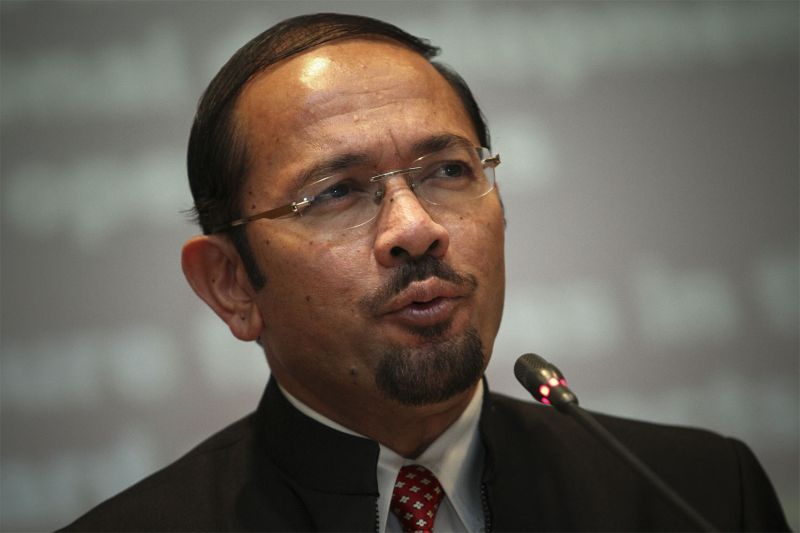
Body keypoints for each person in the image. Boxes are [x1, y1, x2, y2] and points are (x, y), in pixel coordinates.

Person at [63, 13, 788, 532]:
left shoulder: (697, 495)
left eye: (447, 170)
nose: (416, 228)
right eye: (337, 192)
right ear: (230, 283)